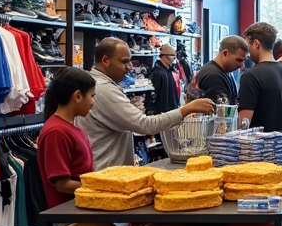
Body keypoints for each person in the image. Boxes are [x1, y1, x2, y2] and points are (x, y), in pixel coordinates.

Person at [78, 37, 215, 170]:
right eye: (124, 62)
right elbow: (144, 125)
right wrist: (187, 109)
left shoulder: (97, 83)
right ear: (106, 60)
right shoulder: (104, 89)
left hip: (105, 172)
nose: (130, 67)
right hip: (104, 175)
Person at [37, 68, 96, 208]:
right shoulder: (57, 132)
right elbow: (62, 184)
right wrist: (99, 187)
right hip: (68, 214)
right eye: (92, 96)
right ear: (78, 96)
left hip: (79, 209)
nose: (93, 102)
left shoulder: (71, 129)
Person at [238, 22, 282, 132]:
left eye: (248, 46)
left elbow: (244, 123)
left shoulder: (251, 76)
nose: (248, 53)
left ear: (256, 43)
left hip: (261, 146)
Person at [190, 35, 248, 104]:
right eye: (239, 60)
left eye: (243, 61)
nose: (242, 66)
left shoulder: (224, 72)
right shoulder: (213, 76)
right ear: (225, 53)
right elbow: (222, 113)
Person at [148, 43, 180, 115]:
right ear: (164, 56)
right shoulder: (159, 73)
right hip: (163, 113)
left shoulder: (168, 71)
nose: (174, 58)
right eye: (172, 56)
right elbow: (154, 96)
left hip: (169, 112)